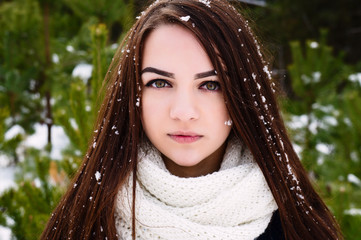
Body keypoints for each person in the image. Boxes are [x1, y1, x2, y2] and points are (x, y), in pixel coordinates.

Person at [41, 0, 343, 239]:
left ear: (245, 95)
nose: (184, 112)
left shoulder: (298, 227)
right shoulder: (83, 223)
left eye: (211, 85)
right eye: (160, 83)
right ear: (132, 95)